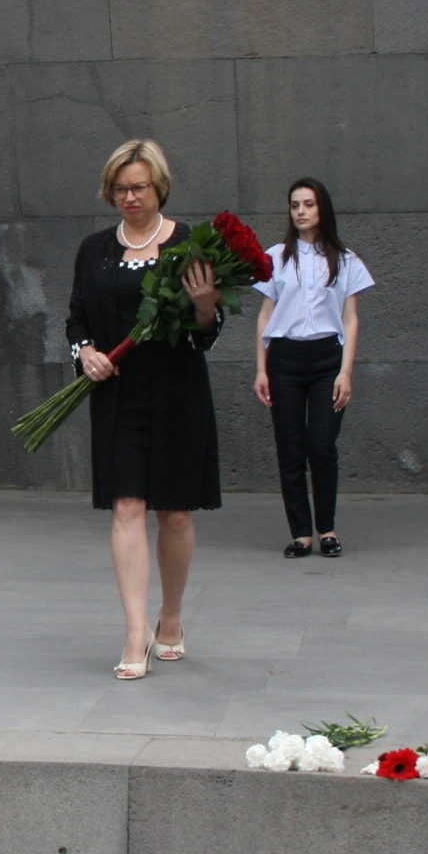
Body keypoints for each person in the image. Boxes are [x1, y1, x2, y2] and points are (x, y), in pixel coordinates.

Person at [66, 139, 221, 679]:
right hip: (117, 393)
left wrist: (205, 307)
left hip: (177, 388)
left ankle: (170, 617)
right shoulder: (93, 249)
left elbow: (209, 331)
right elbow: (77, 319)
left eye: (139, 187)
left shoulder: (190, 244)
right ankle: (136, 632)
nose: (129, 197)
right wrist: (84, 354)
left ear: (159, 187)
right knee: (126, 506)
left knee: (174, 511)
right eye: (119, 188)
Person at [252, 179, 374, 559]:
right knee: (290, 448)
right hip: (285, 360)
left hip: (326, 360)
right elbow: (265, 316)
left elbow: (350, 319)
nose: (301, 211)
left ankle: (328, 529)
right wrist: (262, 369)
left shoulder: (345, 259)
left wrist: (346, 371)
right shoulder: (276, 257)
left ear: (322, 209)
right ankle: (301, 533)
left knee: (321, 446)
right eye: (294, 205)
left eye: (308, 203)